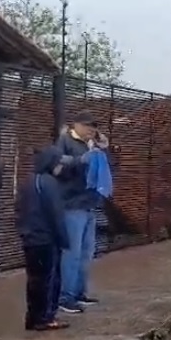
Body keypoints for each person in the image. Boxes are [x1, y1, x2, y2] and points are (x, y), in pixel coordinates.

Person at [55, 111, 109, 313]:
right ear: (76, 125)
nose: (91, 130)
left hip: (89, 205)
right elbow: (57, 166)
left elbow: (105, 169)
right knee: (72, 253)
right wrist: (80, 160)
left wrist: (104, 149)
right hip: (72, 205)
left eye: (94, 127)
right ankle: (65, 297)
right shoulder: (65, 141)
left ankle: (79, 293)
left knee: (86, 253)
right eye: (87, 126)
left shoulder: (91, 144)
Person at [16, 146, 71, 331]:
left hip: (30, 239)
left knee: (34, 280)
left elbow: (19, 209)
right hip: (46, 239)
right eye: (59, 163)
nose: (61, 167)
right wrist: (64, 239)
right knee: (49, 279)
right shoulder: (49, 183)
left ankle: (33, 317)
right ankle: (45, 318)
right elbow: (56, 214)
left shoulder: (28, 182)